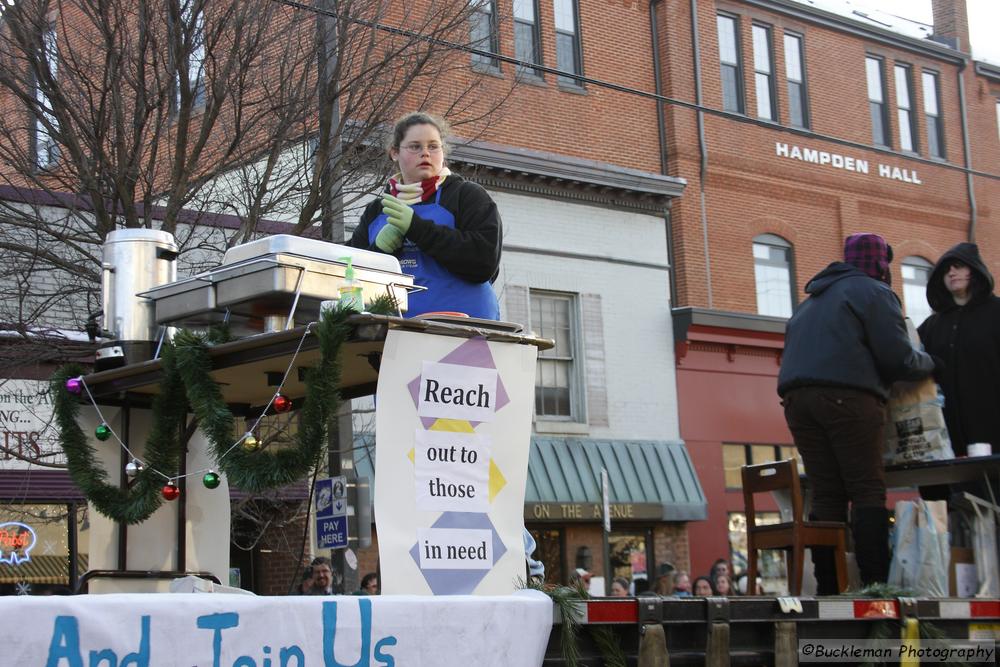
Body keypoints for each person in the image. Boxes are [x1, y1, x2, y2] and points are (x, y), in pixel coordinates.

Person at [778, 233, 935, 592]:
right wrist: (931, 362)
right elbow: (898, 358)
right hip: (848, 397)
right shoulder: (875, 293)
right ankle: (875, 586)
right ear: (881, 263)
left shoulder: (810, 301)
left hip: (797, 401)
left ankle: (829, 588)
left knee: (827, 494)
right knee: (866, 490)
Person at [348, 111, 502, 320]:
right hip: (395, 333)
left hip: (466, 330)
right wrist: (379, 252)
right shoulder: (376, 210)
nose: (425, 153)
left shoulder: (467, 195)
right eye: (415, 146)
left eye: (433, 146)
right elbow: (351, 279)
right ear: (394, 152)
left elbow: (484, 263)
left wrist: (417, 228)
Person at [918, 243, 1000, 457]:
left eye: (957, 266)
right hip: (949, 432)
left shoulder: (996, 313)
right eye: (946, 270)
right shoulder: (932, 326)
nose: (951, 273)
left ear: (974, 270)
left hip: (992, 424)